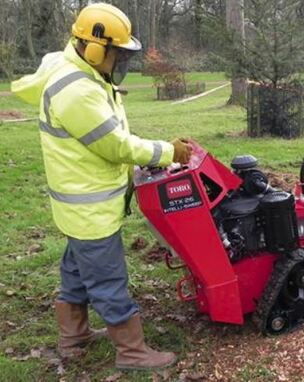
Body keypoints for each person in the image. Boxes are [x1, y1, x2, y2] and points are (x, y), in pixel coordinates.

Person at [11, 3, 192, 370]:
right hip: (89, 207)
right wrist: (167, 151)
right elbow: (116, 145)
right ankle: (132, 351)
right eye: (117, 53)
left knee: (77, 267)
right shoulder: (76, 91)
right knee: (108, 278)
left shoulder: (78, 70)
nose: (120, 62)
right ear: (94, 48)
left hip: (77, 203)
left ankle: (73, 335)